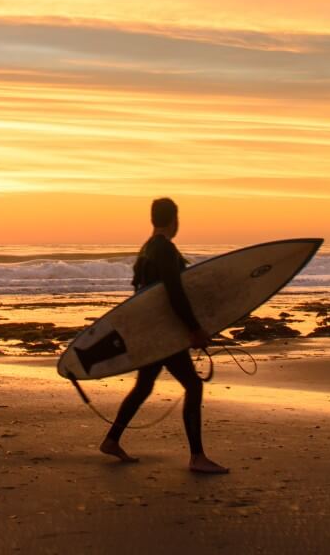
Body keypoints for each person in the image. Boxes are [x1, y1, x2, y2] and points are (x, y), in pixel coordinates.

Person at [99, 197, 229, 474]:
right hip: (165, 333)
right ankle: (197, 457)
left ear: (153, 219)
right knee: (193, 386)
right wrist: (193, 328)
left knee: (144, 386)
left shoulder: (146, 249)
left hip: (152, 331)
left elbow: (141, 294)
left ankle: (112, 440)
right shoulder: (165, 250)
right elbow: (175, 291)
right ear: (175, 220)